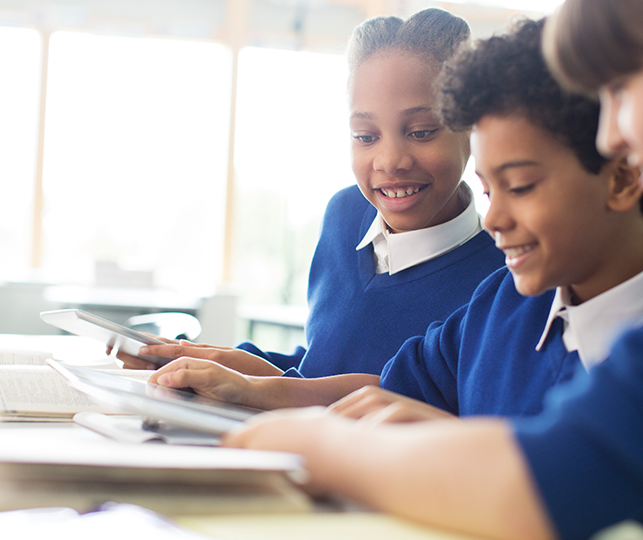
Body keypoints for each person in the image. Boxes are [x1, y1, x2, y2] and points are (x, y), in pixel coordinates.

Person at [220, 1, 643, 539]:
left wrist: (320, 447)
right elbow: (391, 390)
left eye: (623, 85)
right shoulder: (506, 302)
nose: (612, 134)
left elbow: (558, 476)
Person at [151, 19, 643, 424]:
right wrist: (232, 378)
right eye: (489, 189)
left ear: (625, 177)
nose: (498, 219)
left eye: (522, 186)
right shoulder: (500, 304)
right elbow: (375, 388)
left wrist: (458, 443)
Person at [121, 8, 505, 384]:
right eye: (365, 136)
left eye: (421, 131)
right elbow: (320, 367)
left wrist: (257, 388)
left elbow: (409, 408)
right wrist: (206, 360)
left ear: (471, 127)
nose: (390, 161)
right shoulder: (346, 216)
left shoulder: (500, 283)